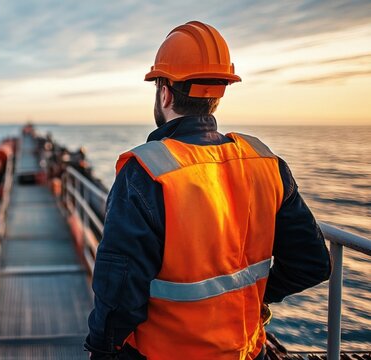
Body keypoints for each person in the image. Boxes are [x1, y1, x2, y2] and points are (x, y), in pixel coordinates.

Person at [85, 21, 331, 360]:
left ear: (165, 92)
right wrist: (256, 296)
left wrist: (101, 348)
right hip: (246, 351)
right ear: (218, 95)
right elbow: (314, 263)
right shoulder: (266, 162)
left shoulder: (146, 173)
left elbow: (119, 296)